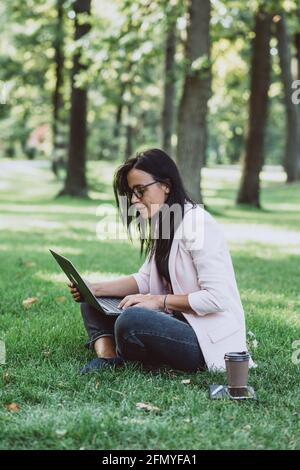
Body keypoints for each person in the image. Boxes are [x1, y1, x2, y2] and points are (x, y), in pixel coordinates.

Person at [69, 148, 254, 374]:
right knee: (92, 301)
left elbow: (217, 298)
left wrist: (159, 301)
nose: (135, 201)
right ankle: (108, 357)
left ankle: (127, 349)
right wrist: (95, 288)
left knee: (132, 320)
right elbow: (146, 278)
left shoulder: (198, 223)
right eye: (131, 193)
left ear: (166, 185)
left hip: (205, 339)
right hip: (172, 321)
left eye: (140, 191)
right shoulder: (163, 221)